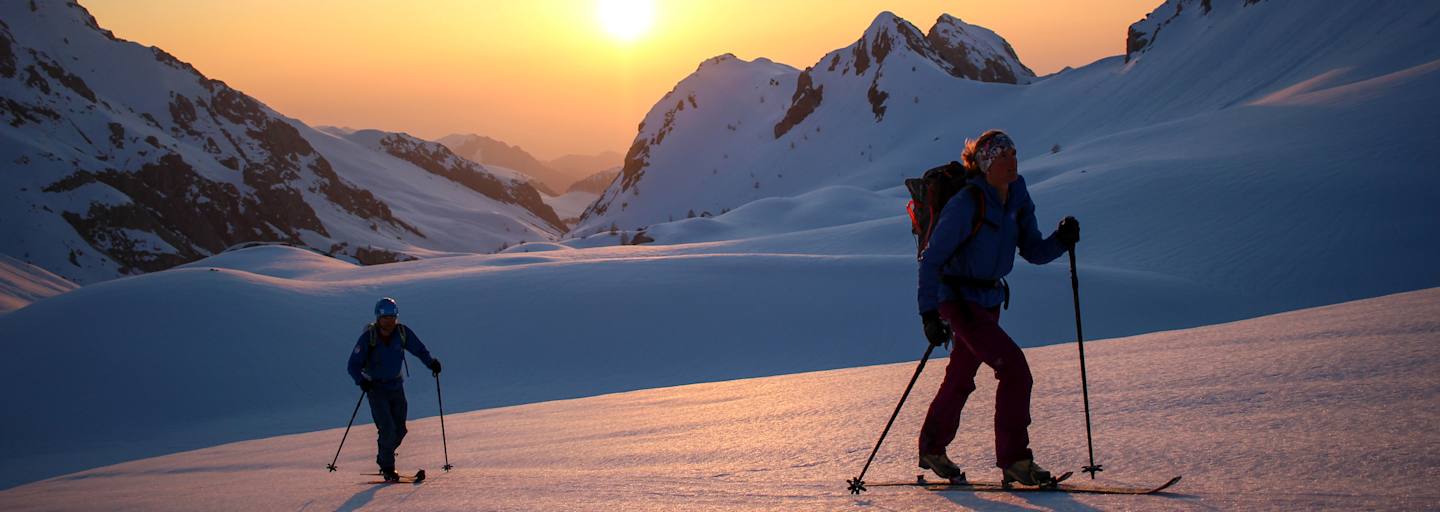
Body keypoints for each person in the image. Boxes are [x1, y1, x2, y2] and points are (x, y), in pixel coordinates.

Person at [915, 130, 1080, 486]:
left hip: (988, 301)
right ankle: (1015, 459)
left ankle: (932, 448)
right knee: (1015, 370)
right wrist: (929, 313)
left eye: (1013, 153)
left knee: (960, 376)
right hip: (959, 301)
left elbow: (1033, 250)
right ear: (986, 164)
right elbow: (932, 260)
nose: (1012, 160)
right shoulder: (966, 203)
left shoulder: (1017, 195)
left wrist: (1061, 241)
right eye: (1002, 155)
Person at [346, 297, 443, 482]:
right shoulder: (368, 338)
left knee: (400, 429)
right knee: (388, 428)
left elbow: (419, 349)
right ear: (378, 318)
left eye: (392, 317)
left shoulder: (402, 333)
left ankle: (384, 456)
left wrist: (431, 363)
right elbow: (352, 365)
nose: (389, 321)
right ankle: (388, 467)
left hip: (396, 387)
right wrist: (362, 381)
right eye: (385, 317)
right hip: (376, 389)